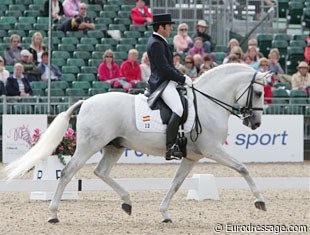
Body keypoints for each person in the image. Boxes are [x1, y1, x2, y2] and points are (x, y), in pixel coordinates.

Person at [147, 13, 191, 160]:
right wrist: (182, 78)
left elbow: (169, 66)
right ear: (161, 27)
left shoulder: (160, 41)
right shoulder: (156, 43)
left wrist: (181, 77)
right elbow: (164, 68)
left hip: (167, 80)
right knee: (178, 108)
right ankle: (170, 147)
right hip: (161, 82)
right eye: (169, 26)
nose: (171, 28)